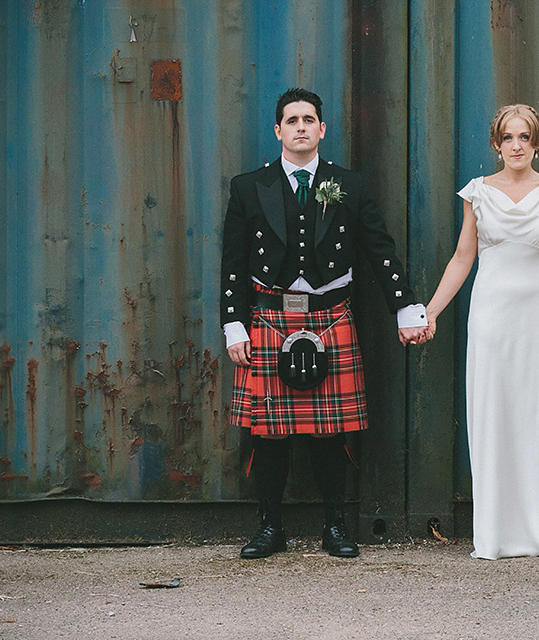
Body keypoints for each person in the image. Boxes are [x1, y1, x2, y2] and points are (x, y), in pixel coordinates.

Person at [221, 88, 427, 559]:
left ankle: (335, 527)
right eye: (291, 120)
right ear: (278, 131)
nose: (300, 127)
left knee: (329, 431)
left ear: (322, 129)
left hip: (330, 315)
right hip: (269, 317)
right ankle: (270, 528)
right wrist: (233, 324)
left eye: (308, 119)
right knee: (267, 433)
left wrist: (405, 306)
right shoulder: (249, 186)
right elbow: (232, 263)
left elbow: (380, 249)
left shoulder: (348, 185)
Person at [424, 104, 539, 560]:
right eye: (508, 138)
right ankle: (499, 532)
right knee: (494, 412)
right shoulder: (478, 193)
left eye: (525, 137)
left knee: (537, 413)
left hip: (537, 318)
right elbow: (463, 258)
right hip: (491, 317)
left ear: (537, 143)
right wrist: (431, 311)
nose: (516, 146)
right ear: (496, 144)